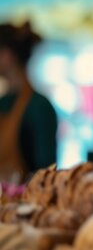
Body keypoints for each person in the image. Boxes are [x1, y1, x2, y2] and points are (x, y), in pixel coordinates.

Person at [0, 23, 57, 184]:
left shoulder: (39, 107)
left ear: (7, 55)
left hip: (27, 202)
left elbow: (46, 171)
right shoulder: (4, 102)